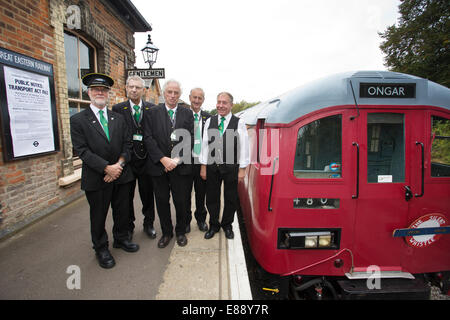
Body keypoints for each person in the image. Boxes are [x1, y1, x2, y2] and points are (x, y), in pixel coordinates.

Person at [70, 73, 139, 269]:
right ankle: (101, 247)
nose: (100, 93)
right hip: (97, 177)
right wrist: (106, 168)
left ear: (108, 93)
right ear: (88, 92)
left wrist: (118, 166)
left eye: (103, 90)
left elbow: (128, 144)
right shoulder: (78, 120)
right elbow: (82, 151)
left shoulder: (118, 118)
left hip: (121, 174)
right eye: (95, 90)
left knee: (122, 211)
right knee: (98, 215)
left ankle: (121, 238)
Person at [143, 79, 194, 248]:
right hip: (159, 168)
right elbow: (148, 138)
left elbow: (191, 138)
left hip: (180, 167)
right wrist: (163, 159)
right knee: (162, 202)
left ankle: (180, 232)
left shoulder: (187, 114)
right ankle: (166, 233)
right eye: (169, 92)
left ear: (179, 95)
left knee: (181, 201)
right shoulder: (152, 112)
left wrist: (177, 160)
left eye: (176, 93)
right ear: (164, 93)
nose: (173, 96)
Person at [112, 76, 157, 239]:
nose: (134, 90)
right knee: (126, 198)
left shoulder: (152, 109)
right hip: (128, 161)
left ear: (143, 90)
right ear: (126, 88)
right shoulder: (117, 109)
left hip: (146, 161)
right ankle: (128, 226)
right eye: (131, 87)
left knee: (147, 195)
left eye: (137, 87)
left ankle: (148, 223)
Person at [200, 92, 249, 239]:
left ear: (231, 105)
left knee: (231, 198)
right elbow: (204, 145)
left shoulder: (238, 122)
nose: (220, 105)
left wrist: (242, 169)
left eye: (224, 102)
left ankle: (227, 225)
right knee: (212, 198)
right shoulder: (210, 121)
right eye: (219, 102)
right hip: (213, 166)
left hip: (231, 167)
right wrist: (203, 167)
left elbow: (244, 147)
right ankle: (214, 225)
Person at [186, 88, 210, 233]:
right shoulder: (182, 115)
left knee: (201, 194)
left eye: (199, 98)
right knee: (185, 195)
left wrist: (205, 164)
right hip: (185, 163)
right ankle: (186, 221)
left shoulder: (208, 117)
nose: (196, 100)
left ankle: (201, 220)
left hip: (201, 162)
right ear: (189, 98)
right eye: (194, 97)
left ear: (203, 100)